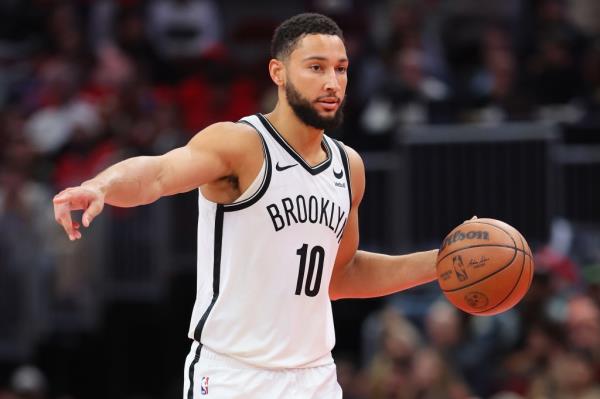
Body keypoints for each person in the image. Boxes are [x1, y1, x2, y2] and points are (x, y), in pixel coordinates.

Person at [53, 13, 438, 399]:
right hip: (235, 376)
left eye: (340, 69)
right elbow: (157, 174)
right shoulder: (241, 144)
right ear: (278, 72)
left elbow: (342, 276)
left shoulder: (348, 167)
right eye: (316, 67)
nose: (331, 82)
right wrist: (101, 184)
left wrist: (442, 263)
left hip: (314, 376)